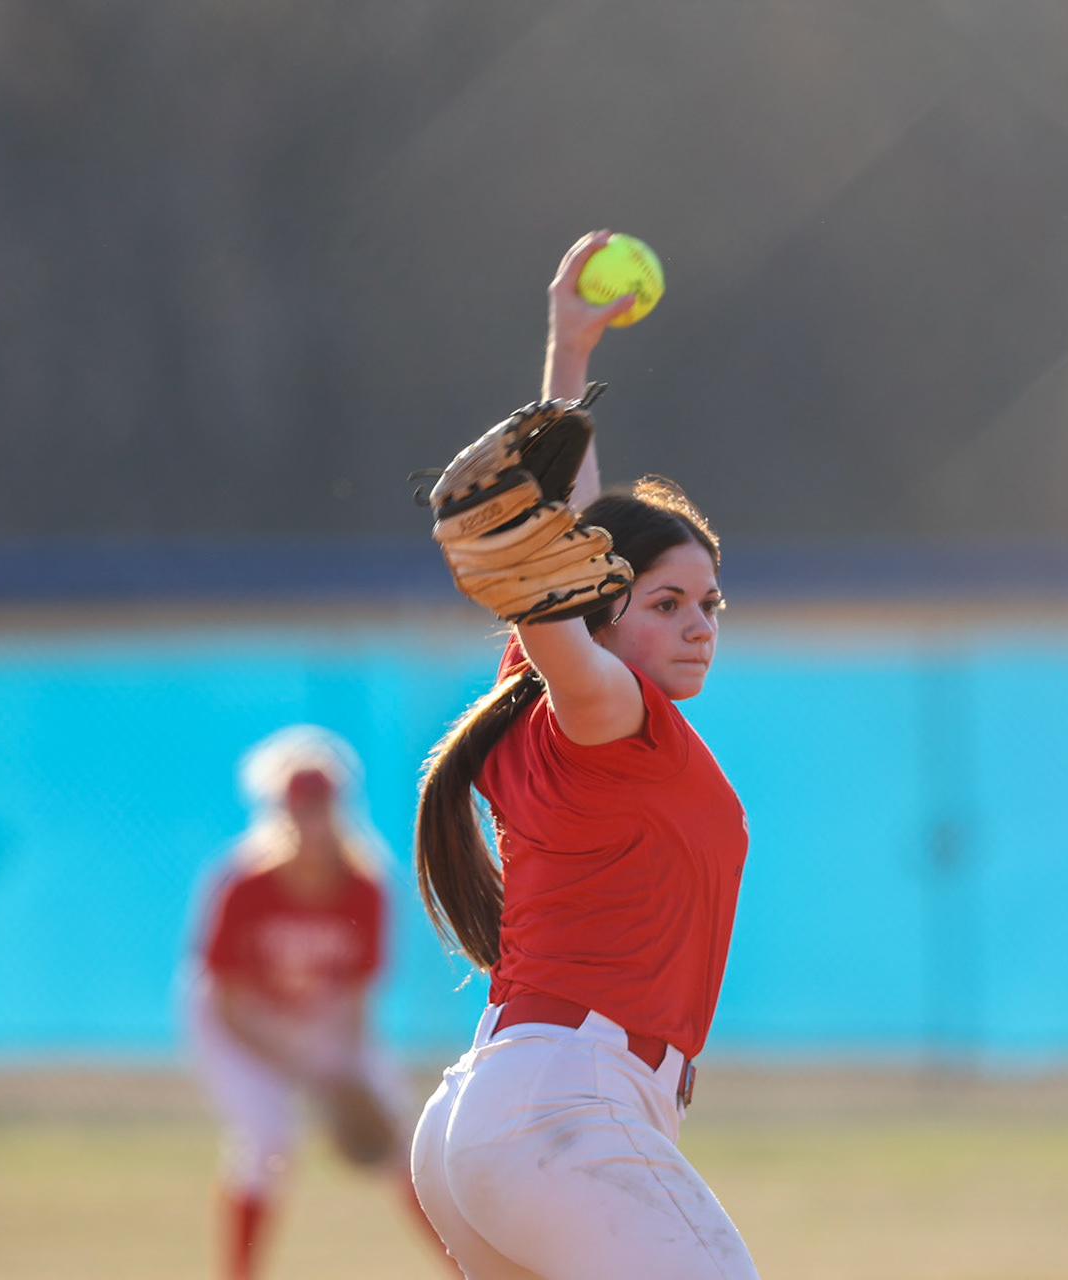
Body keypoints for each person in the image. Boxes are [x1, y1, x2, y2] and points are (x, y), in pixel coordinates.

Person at [409, 230, 759, 1280]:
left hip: (490, 1110)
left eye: (709, 603)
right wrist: (538, 569)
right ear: (601, 615)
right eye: (666, 603)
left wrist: (571, 350)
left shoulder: (542, 700)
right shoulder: (608, 712)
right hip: (564, 1104)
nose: (699, 624)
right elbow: (556, 579)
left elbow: (566, 536)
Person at [184, 725, 452, 1280]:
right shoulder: (243, 884)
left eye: (321, 806)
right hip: (241, 1022)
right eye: (299, 808)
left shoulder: (365, 884)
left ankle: (464, 1270)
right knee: (266, 1140)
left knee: (406, 1144)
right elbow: (227, 1005)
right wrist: (308, 1078)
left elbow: (356, 1003)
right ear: (278, 812)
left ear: (340, 809)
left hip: (322, 1019)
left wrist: (346, 1077)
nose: (310, 819)